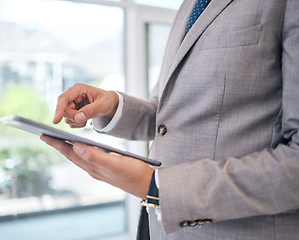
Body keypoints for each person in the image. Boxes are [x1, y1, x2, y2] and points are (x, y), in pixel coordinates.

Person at [40, 0, 299, 239]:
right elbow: (167, 116)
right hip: (156, 226)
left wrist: (157, 186)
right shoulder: (189, 6)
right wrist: (112, 106)